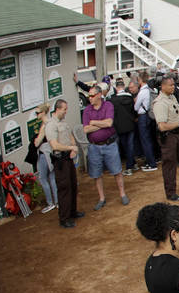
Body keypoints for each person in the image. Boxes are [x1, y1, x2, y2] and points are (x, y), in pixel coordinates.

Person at [82, 84, 129, 211]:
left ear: (99, 95)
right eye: (89, 96)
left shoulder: (108, 105)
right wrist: (102, 124)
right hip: (94, 146)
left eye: (92, 96)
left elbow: (109, 123)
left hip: (110, 144)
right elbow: (86, 129)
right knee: (97, 174)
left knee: (117, 171)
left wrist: (94, 122)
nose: (89, 98)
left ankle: (122, 194)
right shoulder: (87, 110)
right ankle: (101, 198)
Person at [44, 99, 82, 228]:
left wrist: (73, 147)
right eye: (64, 109)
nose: (66, 111)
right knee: (64, 188)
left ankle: (72, 212)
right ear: (58, 109)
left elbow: (70, 135)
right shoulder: (51, 125)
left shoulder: (63, 122)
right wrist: (70, 149)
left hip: (68, 157)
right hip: (60, 160)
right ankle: (64, 218)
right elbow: (55, 145)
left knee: (73, 185)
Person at [109, 80, 139, 176]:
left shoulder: (113, 100)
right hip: (131, 124)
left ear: (117, 88)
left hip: (120, 127)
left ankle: (129, 167)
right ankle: (133, 164)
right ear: (123, 86)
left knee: (126, 146)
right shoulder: (130, 97)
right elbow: (134, 110)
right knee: (130, 145)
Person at [133, 72, 160, 172]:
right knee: (150, 139)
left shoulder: (142, 92)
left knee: (145, 140)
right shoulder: (150, 90)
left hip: (143, 116)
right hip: (150, 115)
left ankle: (151, 163)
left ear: (140, 80)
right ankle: (153, 160)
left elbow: (136, 107)